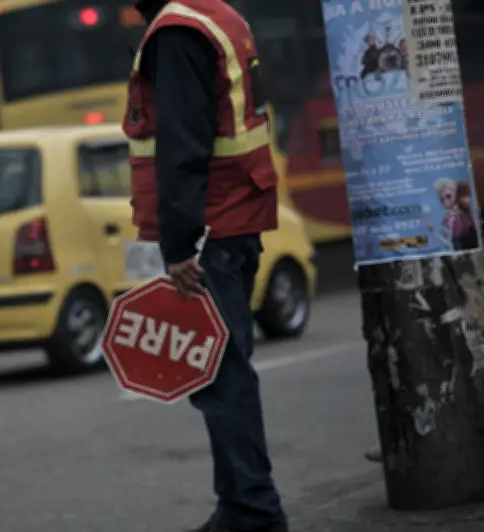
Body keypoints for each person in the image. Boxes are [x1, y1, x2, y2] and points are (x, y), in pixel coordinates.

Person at [123, 1, 286, 530]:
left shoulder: (176, 32)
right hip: (236, 217)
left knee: (222, 379)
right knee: (225, 371)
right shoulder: (219, 15)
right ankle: (239, 507)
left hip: (210, 229)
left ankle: (253, 513)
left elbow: (183, 144)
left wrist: (179, 244)